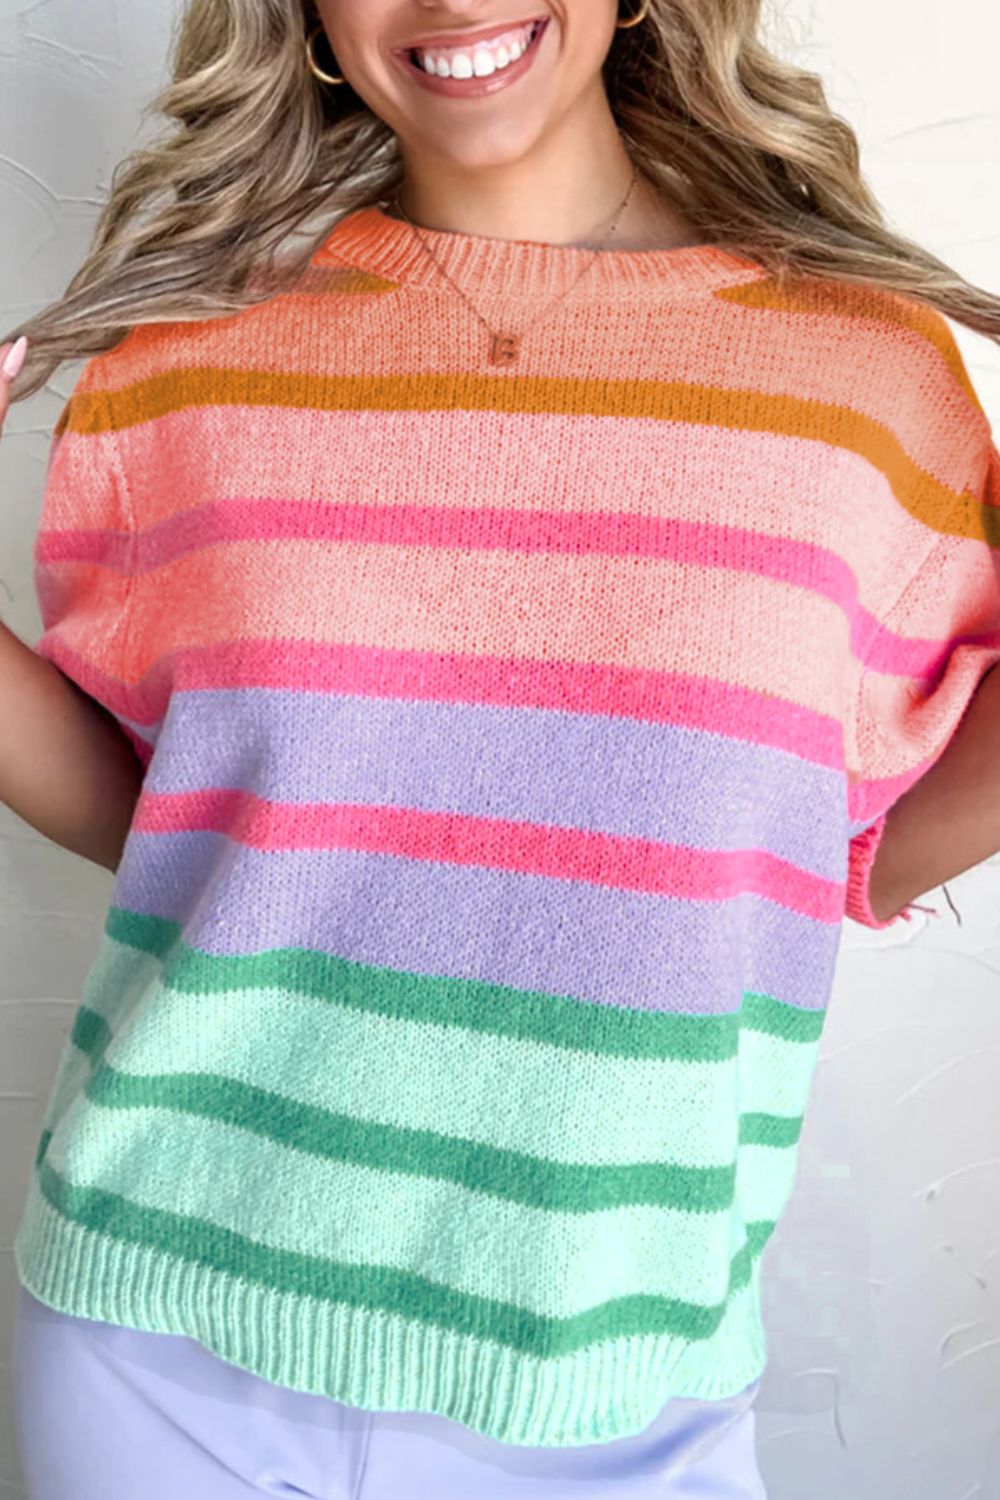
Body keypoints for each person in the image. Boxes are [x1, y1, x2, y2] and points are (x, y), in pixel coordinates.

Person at [2, 0, 999, 1494]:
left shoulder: (869, 380)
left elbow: (845, 847)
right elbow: (169, 820)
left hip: (611, 1378)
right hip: (158, 1335)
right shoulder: (187, 358)